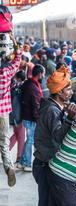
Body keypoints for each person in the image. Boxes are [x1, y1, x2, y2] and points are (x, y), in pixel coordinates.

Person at [17, 65, 76, 206]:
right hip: (45, 165)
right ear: (59, 92)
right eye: (68, 88)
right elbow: (59, 136)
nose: (71, 91)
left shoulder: (53, 106)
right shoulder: (52, 110)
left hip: (45, 163)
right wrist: (69, 119)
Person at [0, 32, 21, 187]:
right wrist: (16, 45)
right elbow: (17, 61)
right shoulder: (7, 72)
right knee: (3, 142)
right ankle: (8, 166)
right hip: (3, 113)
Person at [17, 64, 45, 172]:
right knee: (30, 140)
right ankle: (27, 163)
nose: (44, 75)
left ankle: (22, 162)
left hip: (27, 116)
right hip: (31, 118)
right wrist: (38, 118)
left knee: (28, 140)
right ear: (39, 74)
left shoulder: (30, 83)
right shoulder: (33, 87)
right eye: (43, 73)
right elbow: (35, 105)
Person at [9, 70, 26, 166]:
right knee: (21, 137)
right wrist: (16, 118)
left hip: (16, 116)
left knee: (16, 135)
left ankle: (6, 151)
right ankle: (19, 157)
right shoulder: (17, 89)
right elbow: (16, 105)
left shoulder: (15, 87)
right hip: (18, 117)